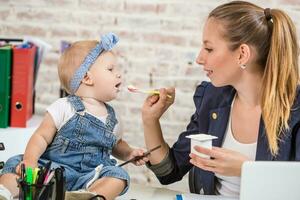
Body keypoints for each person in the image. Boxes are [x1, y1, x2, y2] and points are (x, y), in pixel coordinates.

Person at [141, 0, 300, 197]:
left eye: (209, 49)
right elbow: (168, 172)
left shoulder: (296, 110)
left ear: (242, 54)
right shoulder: (212, 98)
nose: (199, 58)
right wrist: (150, 120)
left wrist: (246, 169)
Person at [0, 33, 149, 200]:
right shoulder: (65, 106)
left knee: (118, 175)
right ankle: (5, 193)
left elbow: (116, 144)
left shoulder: (113, 118)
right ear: (87, 78)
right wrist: (30, 161)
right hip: (50, 172)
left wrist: (129, 153)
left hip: (88, 178)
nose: (119, 74)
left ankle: (86, 196)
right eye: (111, 69)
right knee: (14, 165)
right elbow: (41, 136)